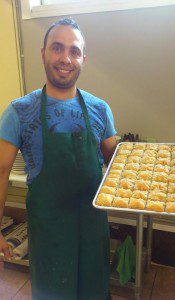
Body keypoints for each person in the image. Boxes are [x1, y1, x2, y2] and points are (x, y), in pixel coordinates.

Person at [0, 18, 117, 299]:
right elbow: (0, 171)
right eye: (57, 48)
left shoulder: (100, 109)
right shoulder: (19, 112)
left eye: (74, 51)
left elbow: (117, 164)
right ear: (43, 53)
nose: (65, 58)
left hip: (92, 233)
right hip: (49, 236)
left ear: (83, 59)